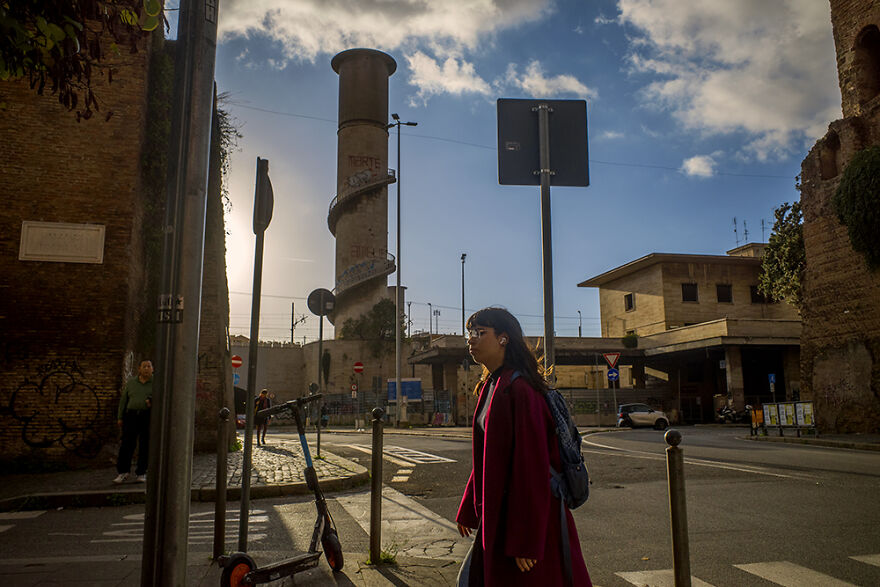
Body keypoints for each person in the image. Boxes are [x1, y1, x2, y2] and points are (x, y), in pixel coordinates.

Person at [456, 308, 592, 586]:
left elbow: (532, 467)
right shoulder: (491, 385)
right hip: (502, 516)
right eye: (470, 333)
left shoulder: (520, 390)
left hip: (529, 525)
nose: (471, 339)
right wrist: (469, 508)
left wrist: (527, 541)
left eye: (480, 332)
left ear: (504, 338)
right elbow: (487, 458)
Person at [114, 359, 153, 484]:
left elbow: (162, 398)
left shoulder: (157, 383)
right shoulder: (131, 383)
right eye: (144, 366)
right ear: (139, 369)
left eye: (149, 366)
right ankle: (123, 472)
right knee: (126, 444)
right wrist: (120, 417)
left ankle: (141, 472)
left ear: (153, 369)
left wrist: (151, 402)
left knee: (144, 445)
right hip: (131, 415)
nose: (146, 368)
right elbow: (123, 401)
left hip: (147, 416)